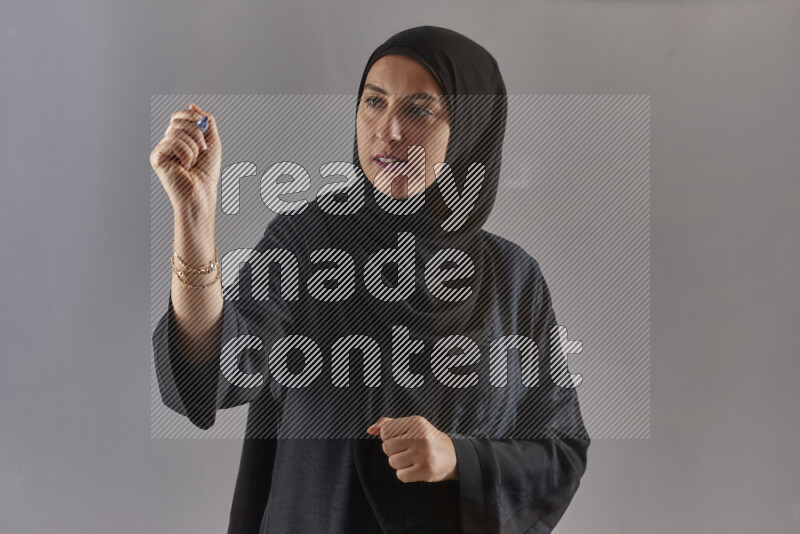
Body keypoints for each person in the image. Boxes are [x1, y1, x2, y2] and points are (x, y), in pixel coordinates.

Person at [151, 26, 590, 534]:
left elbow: (560, 451)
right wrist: (193, 221)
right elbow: (219, 369)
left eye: (419, 110)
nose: (389, 130)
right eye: (373, 103)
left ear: (470, 129)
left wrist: (456, 458)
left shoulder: (513, 279)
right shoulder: (308, 242)